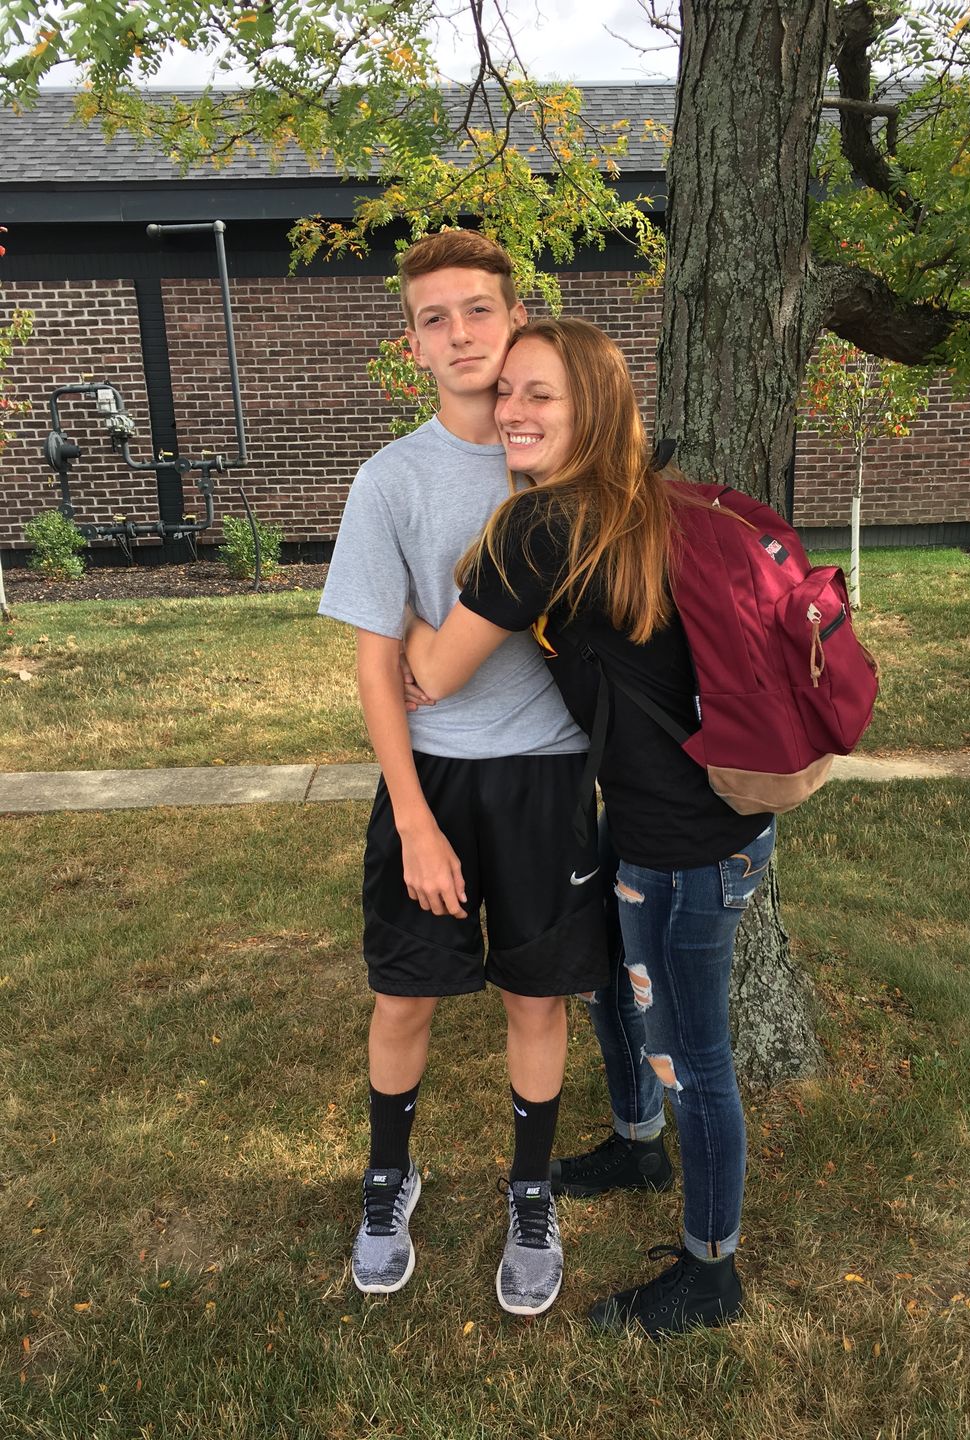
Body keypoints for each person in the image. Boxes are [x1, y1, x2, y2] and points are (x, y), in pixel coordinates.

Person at [403, 316, 777, 1340]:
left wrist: (383, 602)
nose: (511, 411)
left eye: (541, 395)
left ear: (593, 410)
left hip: (687, 844)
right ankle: (635, 1144)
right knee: (611, 985)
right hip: (675, 817)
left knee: (693, 1057)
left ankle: (710, 1275)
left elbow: (433, 671)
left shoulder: (542, 527)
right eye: (506, 391)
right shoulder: (632, 501)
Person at [318, 235, 608, 1317]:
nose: (460, 334)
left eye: (479, 309)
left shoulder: (557, 459)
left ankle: (532, 1191)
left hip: (548, 776)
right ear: (413, 346)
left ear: (515, 316)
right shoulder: (390, 478)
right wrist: (412, 818)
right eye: (434, 319)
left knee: (538, 996)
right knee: (404, 995)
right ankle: (388, 1177)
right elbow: (374, 661)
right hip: (431, 779)